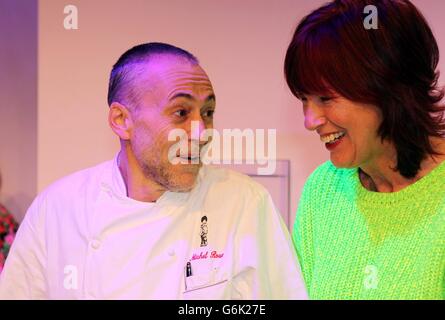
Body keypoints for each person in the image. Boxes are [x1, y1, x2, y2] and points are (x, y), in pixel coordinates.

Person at [0, 42, 307, 299]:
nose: (201, 132)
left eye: (208, 113)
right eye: (181, 113)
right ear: (121, 120)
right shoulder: (56, 210)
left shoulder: (245, 203)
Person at [285, 0, 445, 299]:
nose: (310, 121)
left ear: (388, 89)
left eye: (325, 97)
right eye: (304, 99)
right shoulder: (323, 189)